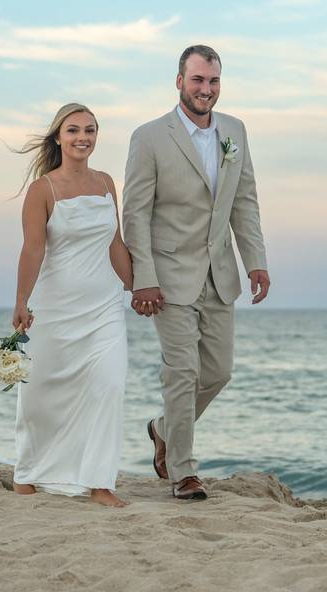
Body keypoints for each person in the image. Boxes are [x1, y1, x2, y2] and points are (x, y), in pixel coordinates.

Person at [122, 45, 270, 500]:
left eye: (214, 81)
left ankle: (163, 429)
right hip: (167, 275)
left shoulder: (235, 132)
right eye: (198, 80)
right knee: (181, 372)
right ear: (179, 81)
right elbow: (135, 213)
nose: (206, 90)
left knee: (218, 372)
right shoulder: (149, 137)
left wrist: (256, 261)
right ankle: (182, 472)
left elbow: (244, 201)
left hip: (219, 273)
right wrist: (142, 276)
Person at [10, 103, 132, 508]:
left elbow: (115, 245)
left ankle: (100, 483)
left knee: (109, 386)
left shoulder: (106, 183)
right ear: (58, 136)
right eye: (74, 130)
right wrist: (21, 301)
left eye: (91, 130)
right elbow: (32, 250)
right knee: (40, 391)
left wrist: (140, 289)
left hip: (104, 306)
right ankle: (28, 472)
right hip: (56, 306)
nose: (83, 137)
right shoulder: (43, 189)